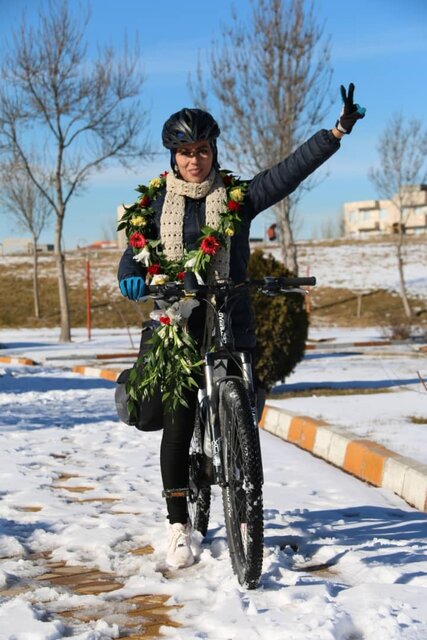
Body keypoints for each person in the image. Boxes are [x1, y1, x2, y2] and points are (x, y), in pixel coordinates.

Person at [117, 83, 366, 569]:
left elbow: (286, 174)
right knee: (180, 415)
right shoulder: (152, 206)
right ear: (174, 156)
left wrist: (335, 133)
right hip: (179, 322)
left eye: (203, 150)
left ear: (214, 152)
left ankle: (237, 466)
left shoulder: (237, 198)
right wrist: (130, 276)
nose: (195, 160)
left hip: (230, 315)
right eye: (186, 152)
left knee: (246, 408)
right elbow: (133, 254)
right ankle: (177, 525)